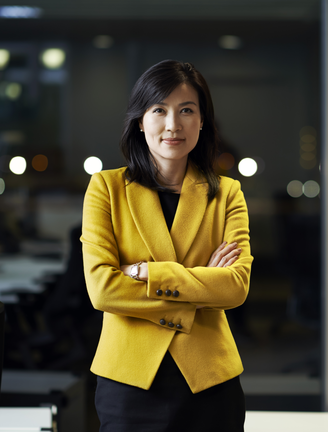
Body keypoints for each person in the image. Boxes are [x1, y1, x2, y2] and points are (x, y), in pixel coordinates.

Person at [81, 59, 253, 432]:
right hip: (129, 381)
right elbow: (103, 290)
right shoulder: (106, 189)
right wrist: (202, 281)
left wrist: (143, 272)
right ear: (140, 120)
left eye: (186, 110)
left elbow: (236, 286)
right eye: (159, 110)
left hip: (210, 382)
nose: (173, 124)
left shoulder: (227, 194)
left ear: (202, 121)